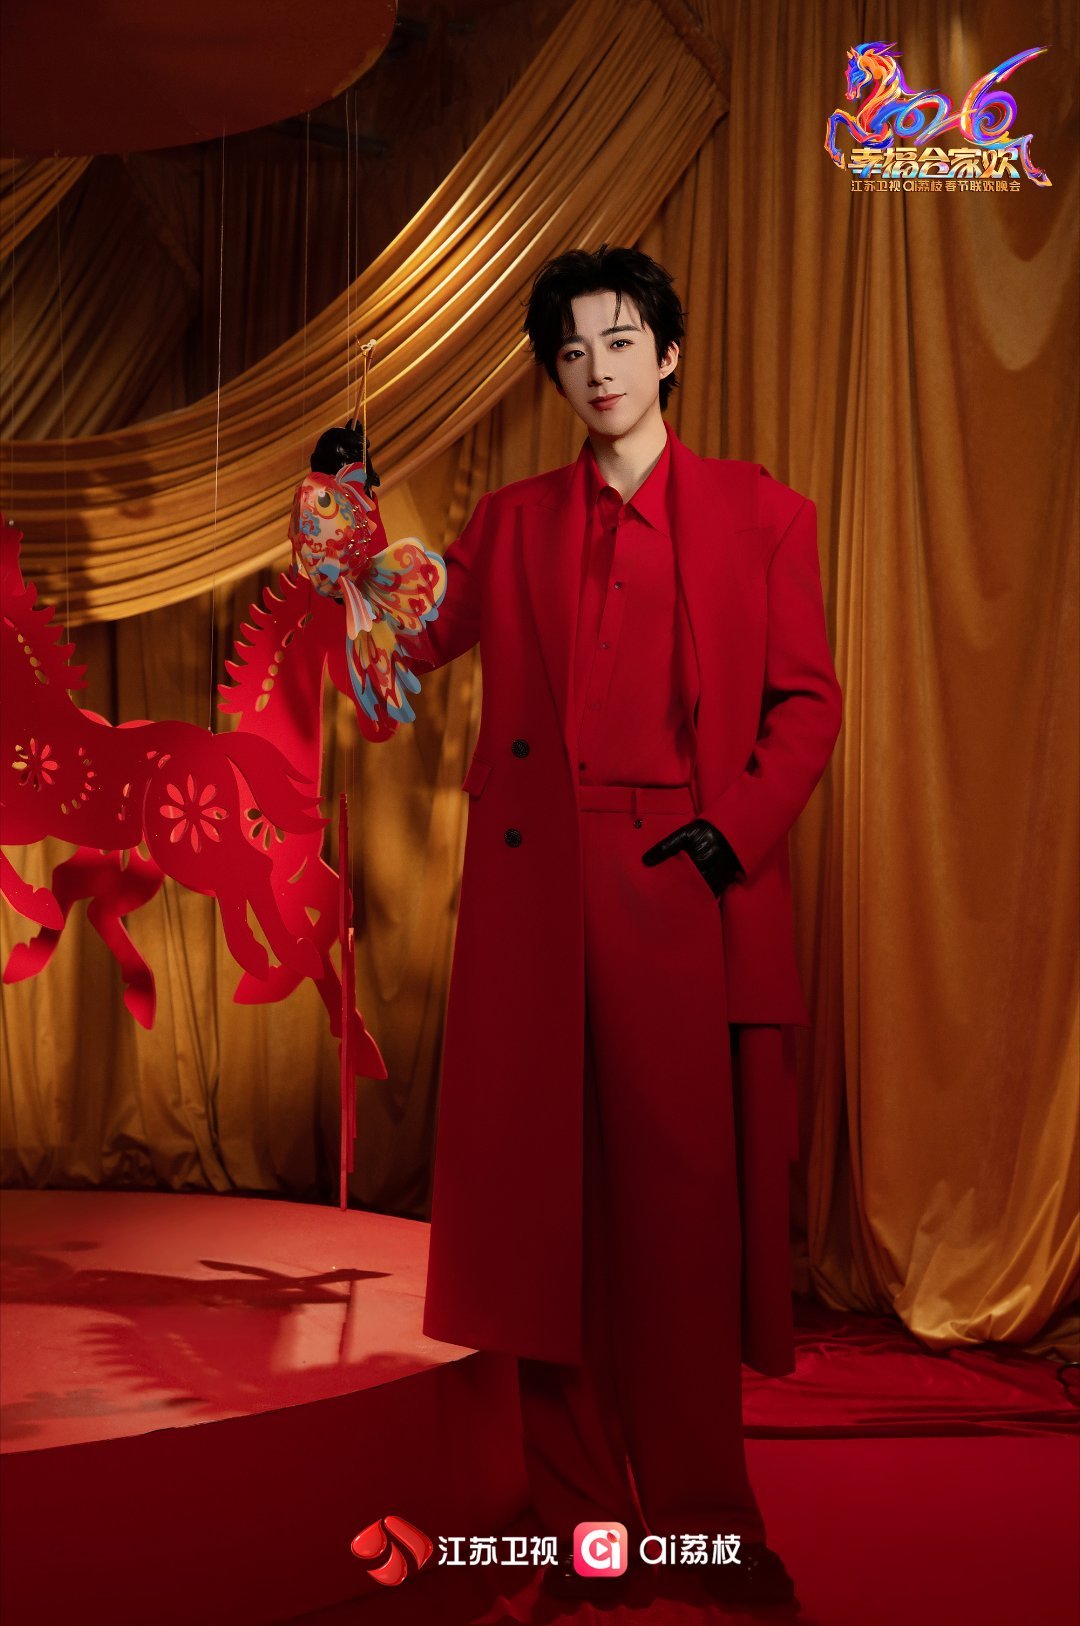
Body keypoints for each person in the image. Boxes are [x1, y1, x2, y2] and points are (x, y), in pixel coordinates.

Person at [329, 244, 842, 1607]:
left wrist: (729, 834)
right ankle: (581, 1532)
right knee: (541, 1227)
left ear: (665, 353)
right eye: (571, 352)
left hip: (683, 885)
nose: (597, 371)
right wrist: (349, 546)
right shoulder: (510, 523)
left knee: (679, 1228)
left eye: (619, 343)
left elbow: (808, 703)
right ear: (555, 374)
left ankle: (706, 1525)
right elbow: (404, 652)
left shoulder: (762, 516)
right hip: (537, 896)